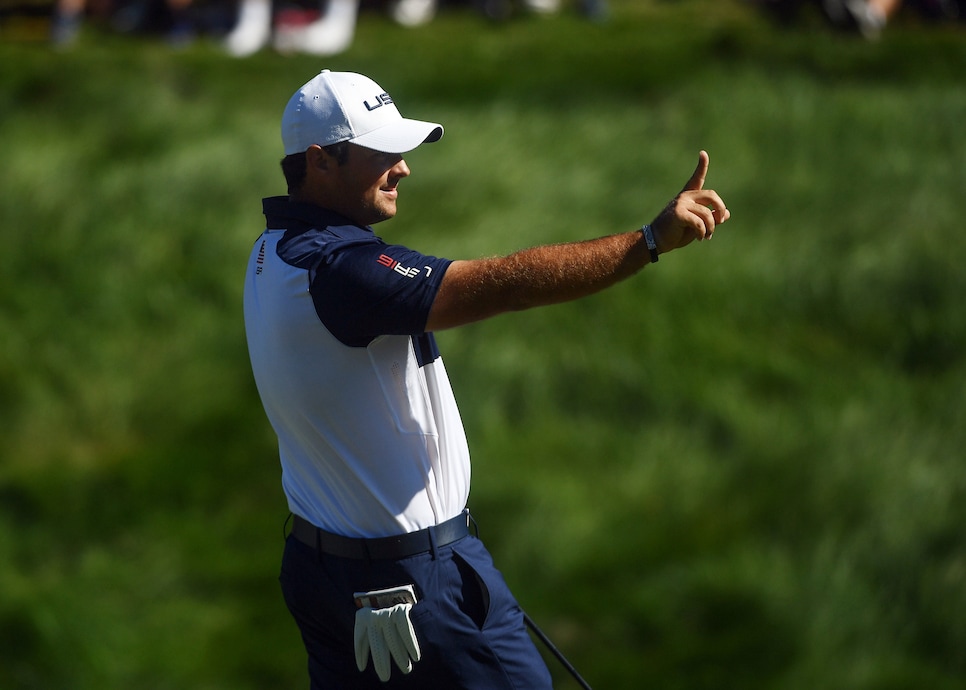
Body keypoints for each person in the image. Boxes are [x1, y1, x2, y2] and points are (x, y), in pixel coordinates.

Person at [243, 69, 730, 688]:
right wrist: (648, 242)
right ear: (320, 161)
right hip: (413, 581)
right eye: (383, 153)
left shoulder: (272, 251)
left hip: (329, 573)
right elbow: (505, 285)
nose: (403, 168)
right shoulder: (339, 269)